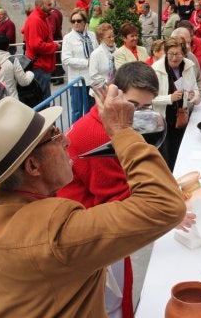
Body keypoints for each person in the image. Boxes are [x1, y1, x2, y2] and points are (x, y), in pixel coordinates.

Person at [0, 92, 186, 317]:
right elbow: (165, 205)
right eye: (54, 136)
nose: (67, 140)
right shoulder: (58, 231)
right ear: (32, 166)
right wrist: (122, 132)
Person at [58, 62, 162, 317]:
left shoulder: (104, 121)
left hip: (91, 222)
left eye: (146, 107)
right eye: (133, 106)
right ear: (111, 92)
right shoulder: (99, 135)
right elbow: (119, 199)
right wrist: (167, 208)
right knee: (111, 304)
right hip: (90, 235)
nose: (137, 114)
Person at [152, 37, 201, 170]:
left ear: (184, 53)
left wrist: (193, 95)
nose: (174, 58)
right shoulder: (156, 69)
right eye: (171, 54)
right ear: (166, 53)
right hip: (164, 119)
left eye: (178, 54)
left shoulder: (189, 65)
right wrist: (169, 98)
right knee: (166, 155)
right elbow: (150, 98)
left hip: (181, 116)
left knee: (181, 150)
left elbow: (195, 89)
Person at [61, 8, 99, 123]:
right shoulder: (68, 38)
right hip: (77, 81)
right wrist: (86, 62)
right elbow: (66, 59)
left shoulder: (92, 35)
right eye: (73, 21)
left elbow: (97, 52)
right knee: (77, 111)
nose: (76, 23)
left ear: (84, 22)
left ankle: (90, 134)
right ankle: (75, 136)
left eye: (78, 20)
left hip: (92, 79)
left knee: (91, 110)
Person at [24, 0, 62, 100]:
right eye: (49, 4)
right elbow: (36, 45)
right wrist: (54, 46)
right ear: (40, 6)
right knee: (43, 100)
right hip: (39, 66)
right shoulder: (36, 20)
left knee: (43, 98)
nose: (52, 7)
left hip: (42, 66)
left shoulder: (40, 18)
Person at [0, 33, 34, 100]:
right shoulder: (12, 61)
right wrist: (30, 73)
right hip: (10, 101)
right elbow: (23, 82)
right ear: (8, 46)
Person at [47, 0, 65, 86]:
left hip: (55, 39)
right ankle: (56, 76)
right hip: (58, 37)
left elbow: (52, 29)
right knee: (57, 59)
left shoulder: (53, 15)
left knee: (56, 59)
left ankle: (58, 78)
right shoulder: (58, 13)